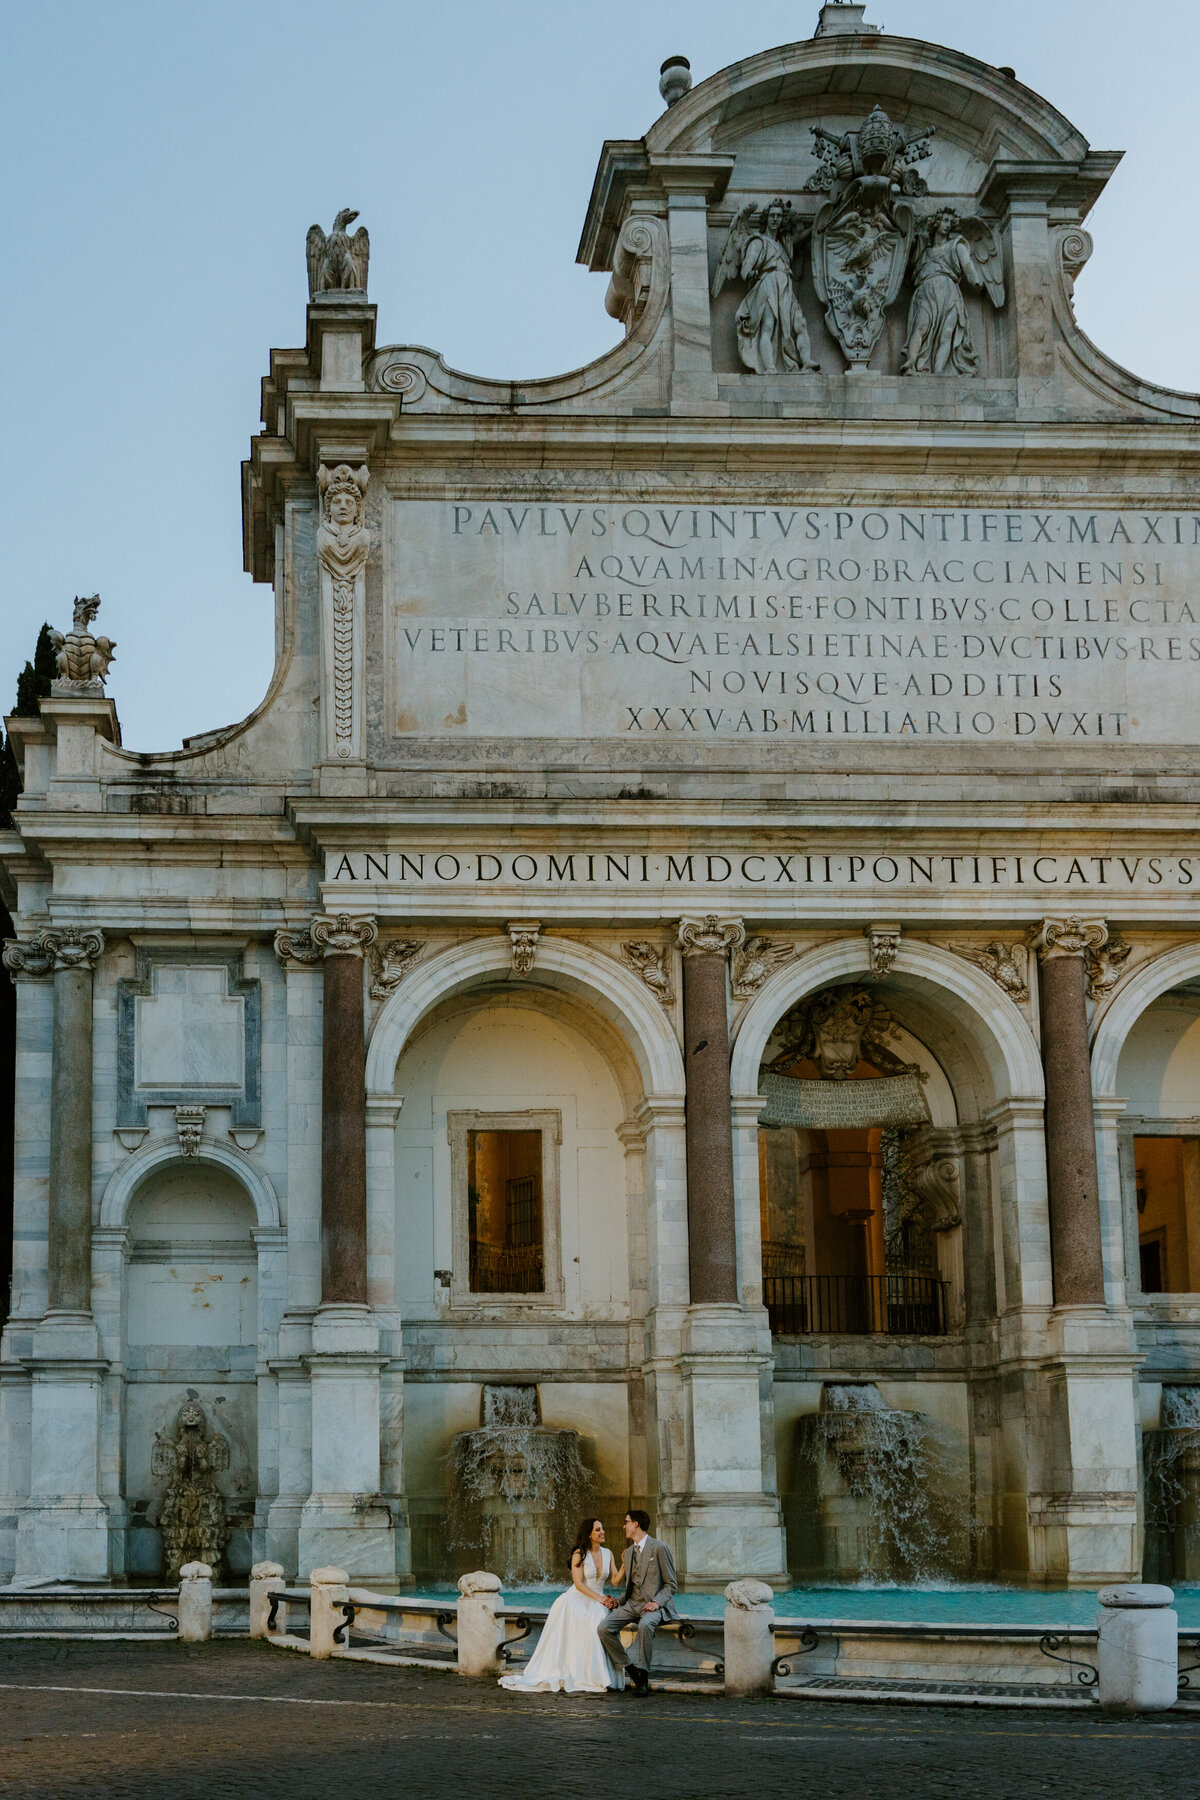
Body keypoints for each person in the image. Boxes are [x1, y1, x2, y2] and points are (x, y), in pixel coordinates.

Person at [498, 1517, 626, 1694]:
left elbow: (615, 1581)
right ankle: (588, 1676)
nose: (602, 1532)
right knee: (596, 1615)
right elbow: (579, 1584)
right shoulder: (579, 1554)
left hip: (597, 1598)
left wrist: (625, 1564)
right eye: (598, 1529)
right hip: (579, 1598)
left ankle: (601, 1675)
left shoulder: (608, 1553)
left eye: (602, 1528)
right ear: (588, 1534)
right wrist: (601, 1599)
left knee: (601, 1616)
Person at [596, 1510, 678, 1696]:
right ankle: (631, 1669)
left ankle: (644, 1675)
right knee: (603, 1628)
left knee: (646, 1625)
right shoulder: (629, 1552)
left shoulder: (659, 1548)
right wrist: (617, 1602)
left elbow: (671, 1584)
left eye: (626, 1522)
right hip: (631, 1604)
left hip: (653, 1605)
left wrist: (656, 1603)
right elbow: (630, 1586)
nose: (624, 1526)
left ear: (636, 1524)